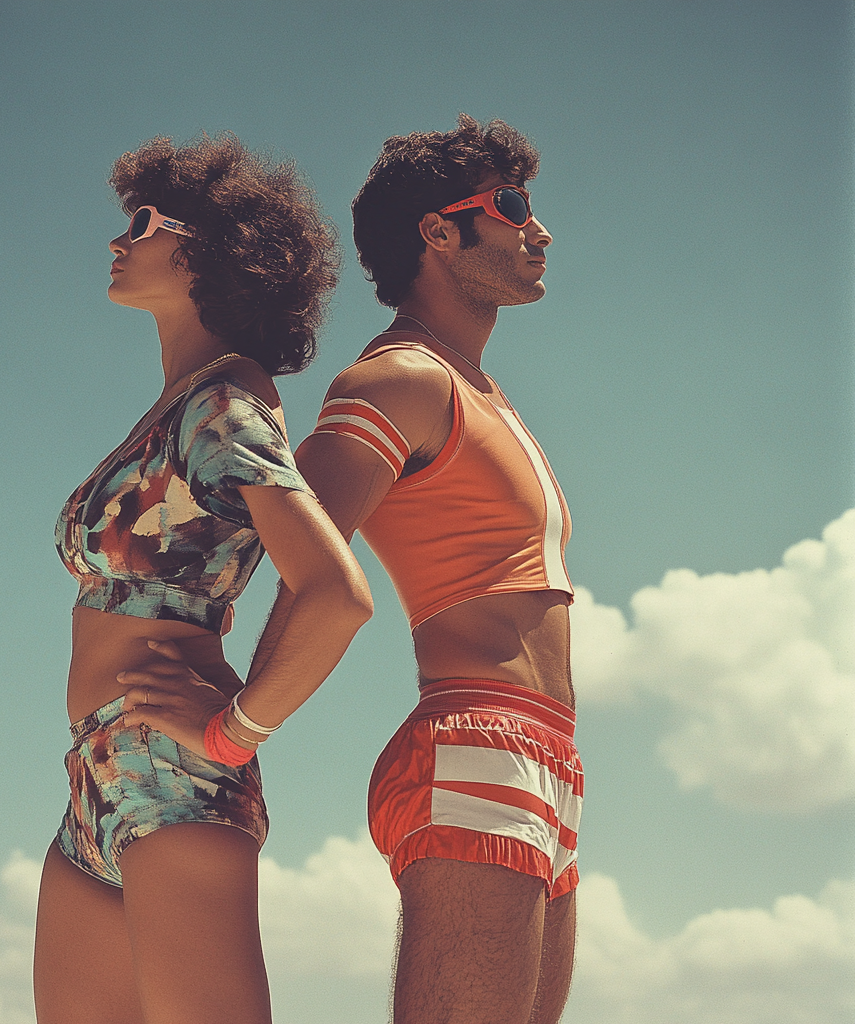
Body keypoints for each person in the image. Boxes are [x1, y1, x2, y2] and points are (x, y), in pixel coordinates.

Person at [33, 133, 373, 1024]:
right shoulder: (182, 404)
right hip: (94, 775)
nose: (119, 240)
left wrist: (235, 732)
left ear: (206, 251)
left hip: (176, 771)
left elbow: (338, 595)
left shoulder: (226, 404)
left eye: (141, 223)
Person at [260, 114, 581, 1023]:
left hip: (548, 761)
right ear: (438, 232)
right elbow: (294, 560)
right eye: (512, 207)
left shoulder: (475, 388)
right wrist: (230, 734)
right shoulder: (398, 379)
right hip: (474, 741)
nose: (539, 230)